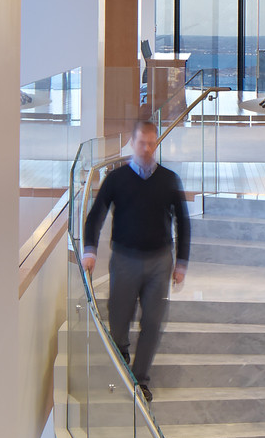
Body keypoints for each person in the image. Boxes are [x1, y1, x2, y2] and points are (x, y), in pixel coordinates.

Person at [80, 115, 191, 404]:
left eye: (151, 144)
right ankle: (122, 355)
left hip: (159, 262)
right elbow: (95, 216)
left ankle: (140, 379)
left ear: (156, 145)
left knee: (153, 322)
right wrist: (89, 249)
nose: (146, 149)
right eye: (141, 143)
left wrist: (181, 263)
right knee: (118, 321)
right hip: (125, 261)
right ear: (131, 143)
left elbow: (183, 221)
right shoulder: (116, 179)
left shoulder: (169, 180)